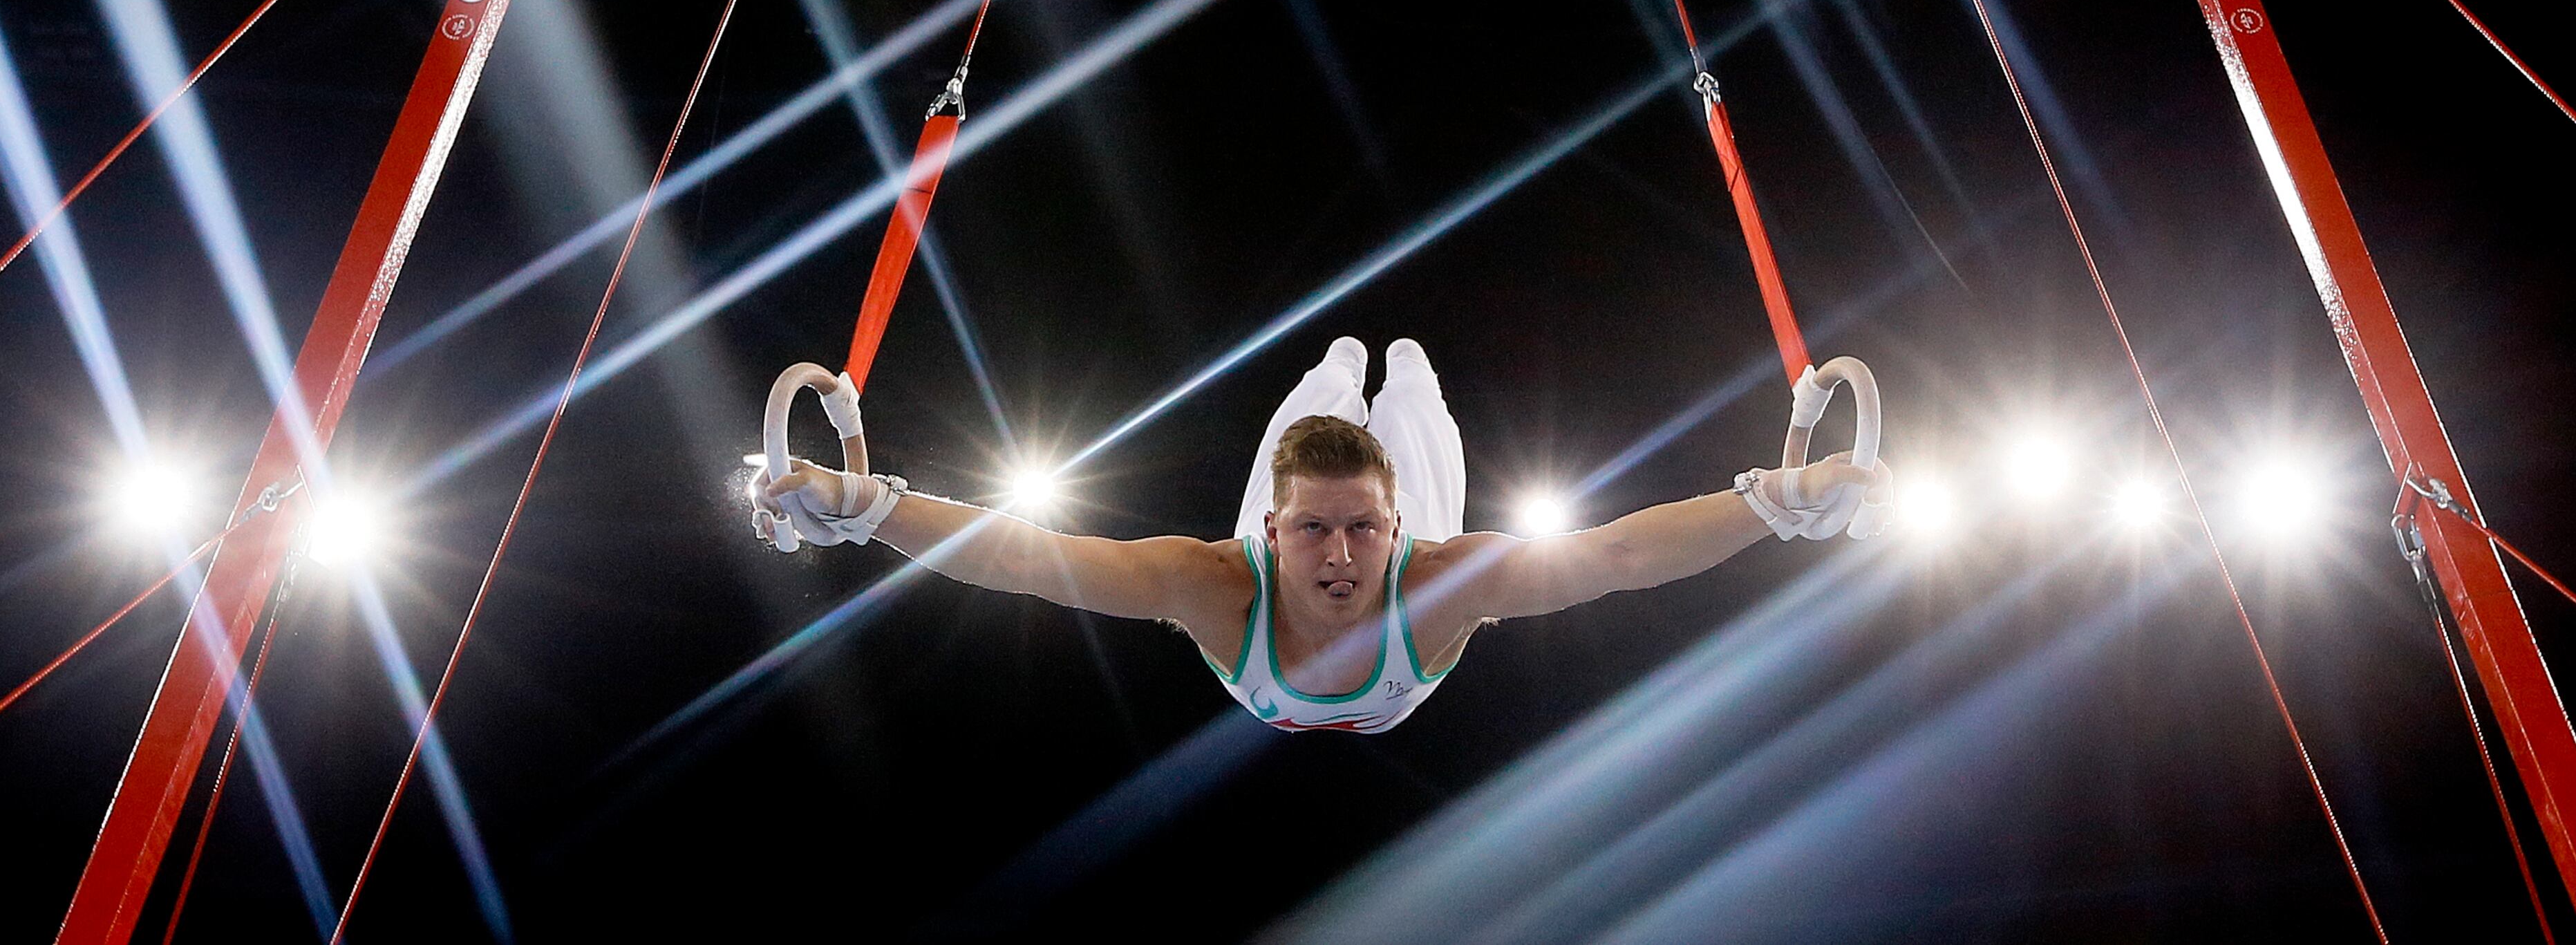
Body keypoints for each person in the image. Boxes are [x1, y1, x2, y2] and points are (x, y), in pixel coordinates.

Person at [749, 336, 1884, 734]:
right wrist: (881, 509)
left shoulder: (1432, 574)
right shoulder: (1211, 583)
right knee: (1321, 396)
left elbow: (1622, 555)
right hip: (1312, 549)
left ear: (1390, 530)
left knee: (1417, 407)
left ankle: (1400, 375)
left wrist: (1775, 502)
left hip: (1421, 524)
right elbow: (1021, 558)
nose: (1341, 559)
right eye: (1315, 535)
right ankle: (1348, 367)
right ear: (1273, 532)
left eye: (1361, 533)